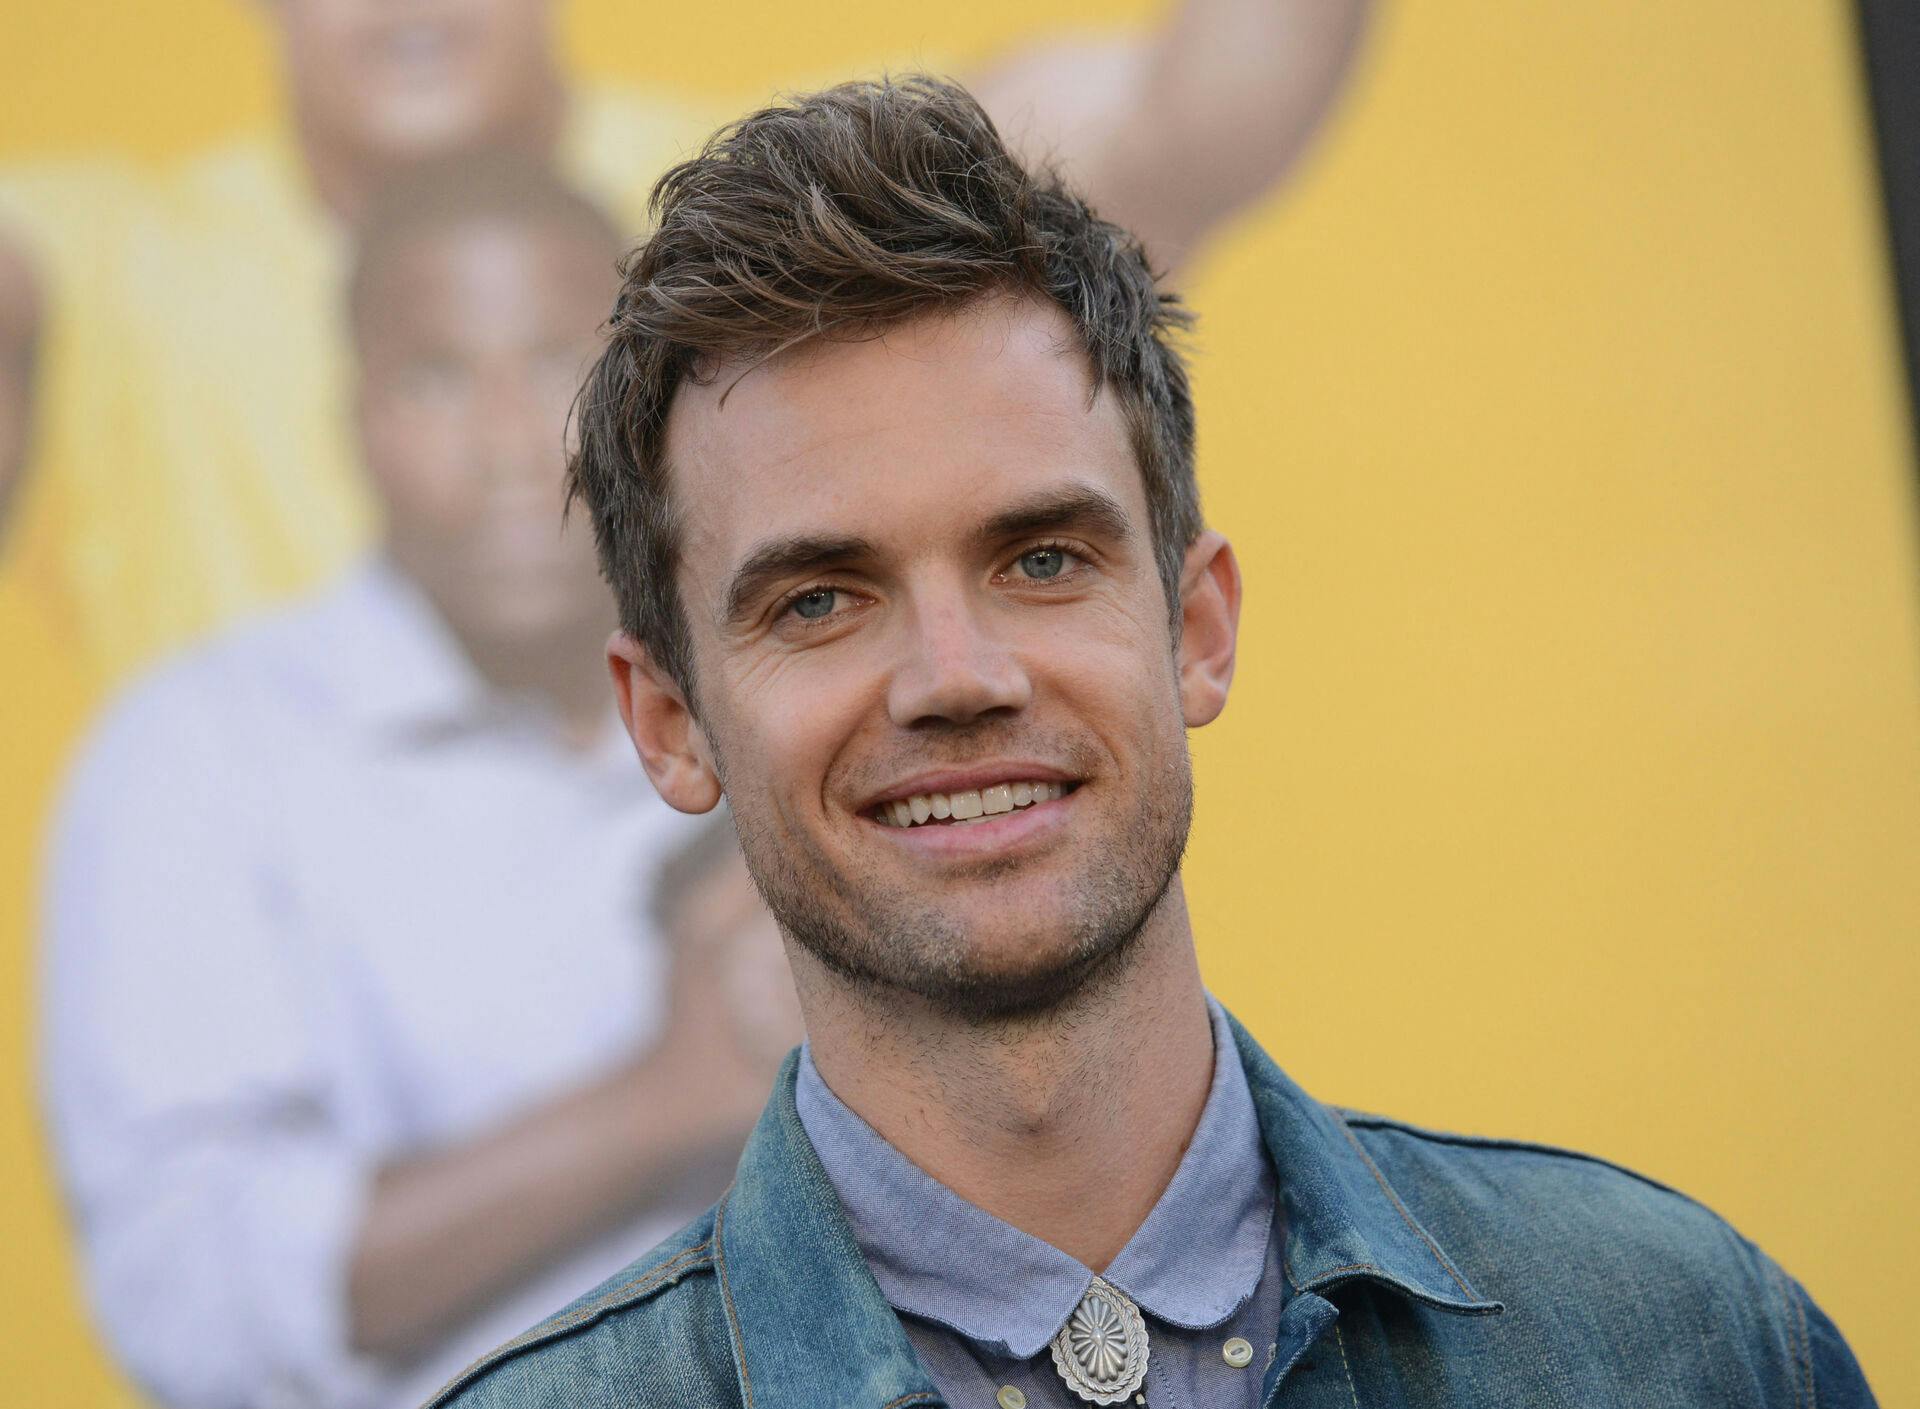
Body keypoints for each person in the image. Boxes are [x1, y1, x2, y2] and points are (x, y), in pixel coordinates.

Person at [428, 77, 1879, 1407]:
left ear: (1198, 625)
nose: (957, 676)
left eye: (1042, 559)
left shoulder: (1682, 1342)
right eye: (820, 598)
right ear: (670, 724)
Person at [43, 156, 799, 1409]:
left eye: (561, 364)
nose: (509, 447)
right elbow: (186, 1297)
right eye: (439, 377)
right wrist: (661, 1103)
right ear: (355, 423)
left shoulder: (784, 692)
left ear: (651, 397)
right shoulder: (196, 758)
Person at [0, 0, 1369, 686]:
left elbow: (1195, 114)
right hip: (301, 1134)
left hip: (735, 1118)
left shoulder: (752, 193)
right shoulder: (107, 262)